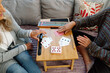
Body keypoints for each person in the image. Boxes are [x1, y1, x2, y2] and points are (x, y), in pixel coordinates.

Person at [58, 7, 110, 73]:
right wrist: (73, 23)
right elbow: (90, 20)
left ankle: (88, 58)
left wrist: (91, 46)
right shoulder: (108, 11)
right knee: (70, 33)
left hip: (106, 62)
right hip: (96, 43)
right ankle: (88, 59)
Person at [0, 0, 46, 73]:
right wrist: (24, 47)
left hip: (15, 45)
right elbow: (1, 58)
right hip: (3, 61)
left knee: (25, 59)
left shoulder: (4, 13)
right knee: (18, 71)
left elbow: (18, 31)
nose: (3, 9)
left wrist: (31, 33)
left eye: (0, 4)